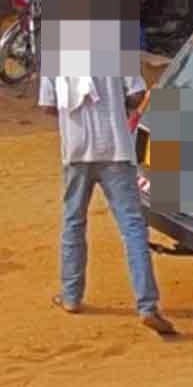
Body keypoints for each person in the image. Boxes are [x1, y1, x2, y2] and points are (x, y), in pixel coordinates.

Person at [39, 75, 176, 335]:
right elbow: (136, 95)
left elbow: (47, 105)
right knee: (133, 228)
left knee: (73, 222)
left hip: (76, 150)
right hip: (115, 149)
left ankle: (71, 296)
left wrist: (74, 119)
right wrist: (117, 104)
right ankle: (147, 306)